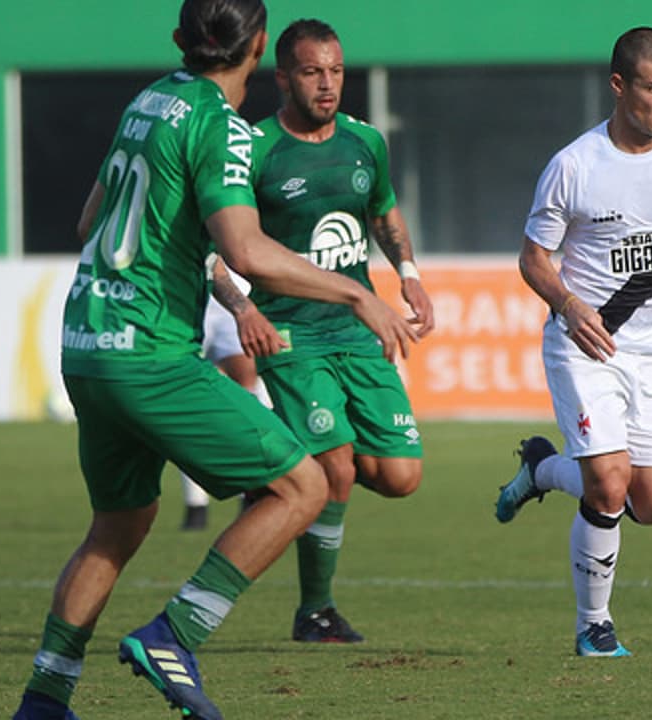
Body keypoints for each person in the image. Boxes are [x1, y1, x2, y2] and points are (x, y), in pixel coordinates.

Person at [11, 2, 417, 719]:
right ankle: (175, 634)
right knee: (303, 486)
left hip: (86, 345)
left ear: (180, 42)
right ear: (260, 49)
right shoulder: (222, 125)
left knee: (119, 524)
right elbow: (247, 251)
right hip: (148, 353)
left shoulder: (147, 101)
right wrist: (357, 296)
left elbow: (87, 224)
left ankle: (45, 697)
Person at [495, 27, 652, 658]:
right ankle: (594, 625)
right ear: (618, 86)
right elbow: (533, 259)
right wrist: (566, 302)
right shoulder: (575, 167)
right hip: (586, 345)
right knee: (609, 485)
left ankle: (543, 469)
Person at [243, 17, 435, 643]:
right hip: (290, 334)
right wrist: (241, 306)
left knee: (402, 475)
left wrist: (407, 272)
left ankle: (274, 466)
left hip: (357, 327)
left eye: (335, 71)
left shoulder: (364, 142)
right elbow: (223, 244)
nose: (327, 84)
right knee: (338, 469)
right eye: (311, 72)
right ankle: (315, 612)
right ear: (281, 77)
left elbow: (381, 207)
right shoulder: (256, 148)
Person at [179, 278, 275, 532]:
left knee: (247, 392)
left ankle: (250, 494)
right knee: (186, 401)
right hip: (184, 296)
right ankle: (195, 506)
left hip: (231, 300)